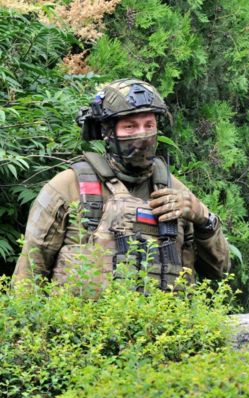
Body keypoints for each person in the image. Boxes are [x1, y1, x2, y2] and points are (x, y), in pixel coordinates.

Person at [13, 78, 230, 291]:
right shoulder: (67, 186)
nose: (142, 134)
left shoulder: (176, 191)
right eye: (130, 126)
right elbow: (28, 276)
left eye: (149, 125)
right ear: (107, 132)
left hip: (163, 326)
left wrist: (204, 220)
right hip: (82, 325)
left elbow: (219, 274)